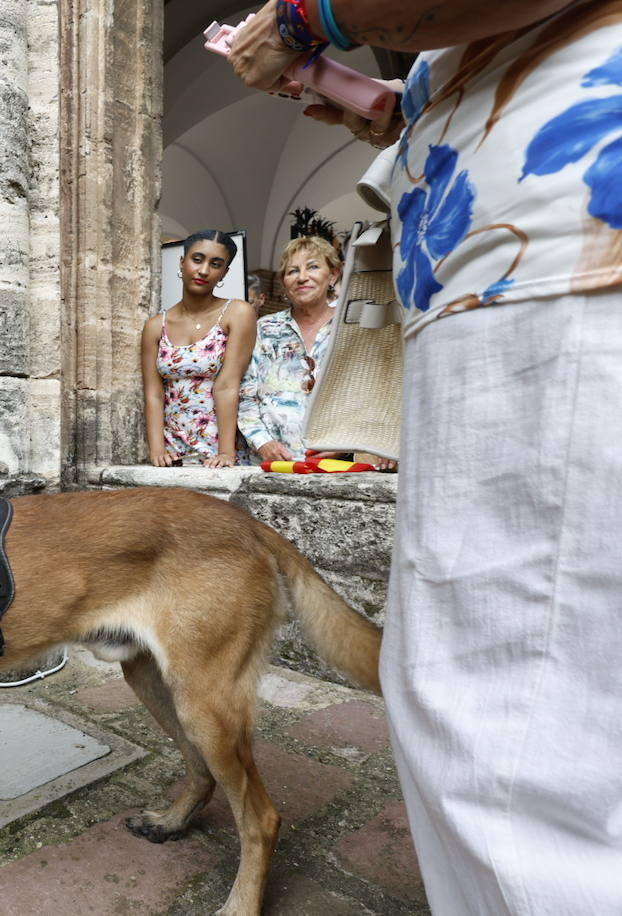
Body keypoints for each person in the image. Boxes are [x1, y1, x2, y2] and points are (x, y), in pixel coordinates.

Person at [229, 2, 622, 912]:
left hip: (556, 257)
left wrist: (303, 18)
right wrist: (387, 106)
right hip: (514, 266)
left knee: (515, 740)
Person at [140, 230, 257, 468]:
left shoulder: (238, 313)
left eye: (216, 264)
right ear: (182, 262)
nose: (204, 270)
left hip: (219, 450)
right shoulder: (155, 326)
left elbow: (228, 385)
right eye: (197, 259)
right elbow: (153, 393)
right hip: (172, 453)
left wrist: (226, 453)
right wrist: (157, 451)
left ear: (224, 272)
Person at [238, 236, 342, 462]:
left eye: (313, 267)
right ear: (284, 282)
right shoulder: (264, 329)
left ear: (333, 275)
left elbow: (364, 397)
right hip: (272, 465)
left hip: (335, 466)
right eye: (292, 271)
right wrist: (262, 442)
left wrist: (345, 442)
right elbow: (245, 395)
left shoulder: (349, 329)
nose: (302, 277)